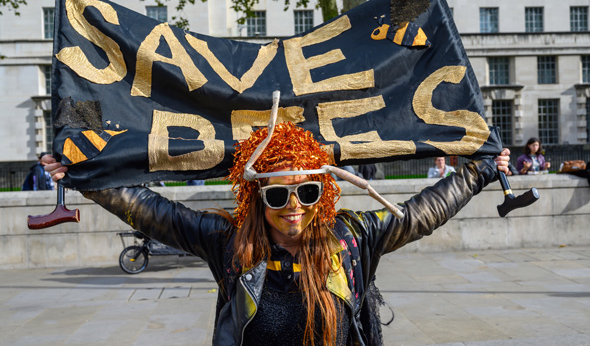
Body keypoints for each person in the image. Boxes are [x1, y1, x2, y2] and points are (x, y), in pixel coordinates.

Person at [44, 122, 510, 346]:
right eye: (277, 196)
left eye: (307, 192)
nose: (293, 208)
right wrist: (82, 176)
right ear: (255, 198)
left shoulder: (351, 238)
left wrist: (481, 171)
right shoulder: (227, 240)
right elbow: (151, 212)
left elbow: (418, 214)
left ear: (323, 193)